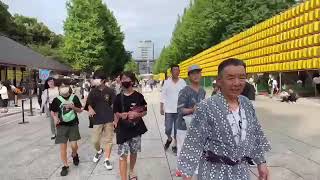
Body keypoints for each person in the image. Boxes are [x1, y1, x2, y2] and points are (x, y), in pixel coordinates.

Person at [178, 58, 271, 180]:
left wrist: (261, 163)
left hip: (241, 172)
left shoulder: (246, 103)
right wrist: (187, 175)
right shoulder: (206, 107)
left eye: (242, 77)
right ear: (219, 81)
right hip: (213, 173)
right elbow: (194, 142)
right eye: (231, 78)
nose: (237, 83)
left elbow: (255, 134)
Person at [113, 71, 148, 180]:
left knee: (133, 152)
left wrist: (138, 114)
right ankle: (123, 178)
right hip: (122, 130)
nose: (124, 81)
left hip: (136, 129)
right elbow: (116, 112)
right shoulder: (118, 97)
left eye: (127, 79)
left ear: (132, 81)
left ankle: (131, 170)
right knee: (123, 155)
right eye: (123, 79)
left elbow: (145, 111)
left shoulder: (139, 96)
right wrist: (120, 115)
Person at [176, 65, 206, 177]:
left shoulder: (202, 91)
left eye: (198, 72)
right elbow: (179, 110)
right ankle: (183, 171)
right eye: (193, 73)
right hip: (184, 126)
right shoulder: (184, 91)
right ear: (189, 76)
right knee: (184, 152)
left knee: (196, 153)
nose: (196, 75)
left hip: (197, 127)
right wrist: (192, 110)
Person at [50, 83, 83, 176]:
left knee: (74, 145)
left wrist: (73, 107)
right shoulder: (56, 100)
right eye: (61, 87)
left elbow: (80, 110)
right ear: (59, 89)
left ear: (69, 88)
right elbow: (52, 111)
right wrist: (55, 118)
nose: (63, 88)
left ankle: (74, 154)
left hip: (73, 124)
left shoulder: (74, 97)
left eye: (65, 86)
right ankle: (65, 166)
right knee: (63, 147)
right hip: (61, 126)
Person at [86, 71, 116, 170]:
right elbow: (88, 103)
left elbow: (114, 105)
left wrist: (115, 119)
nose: (94, 80)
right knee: (95, 140)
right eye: (94, 78)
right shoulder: (93, 92)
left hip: (108, 119)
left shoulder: (110, 91)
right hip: (97, 119)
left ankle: (107, 159)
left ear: (103, 80)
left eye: (96, 78)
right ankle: (99, 151)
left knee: (108, 141)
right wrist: (90, 108)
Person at [160, 64, 186, 154]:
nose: (176, 71)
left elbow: (186, 95)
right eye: (174, 70)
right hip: (168, 110)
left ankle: (175, 144)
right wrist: (161, 107)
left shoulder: (182, 82)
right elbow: (163, 95)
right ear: (171, 72)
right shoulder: (167, 82)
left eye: (178, 70)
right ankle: (169, 138)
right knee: (168, 128)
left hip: (179, 110)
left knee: (176, 130)